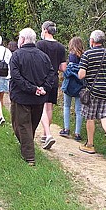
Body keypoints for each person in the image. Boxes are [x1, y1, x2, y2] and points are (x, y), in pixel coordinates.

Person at [9, 27, 55, 165]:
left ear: (23, 39)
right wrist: (42, 88)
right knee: (31, 125)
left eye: (19, 38)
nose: (18, 40)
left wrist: (35, 89)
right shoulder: (43, 56)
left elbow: (16, 77)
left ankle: (29, 157)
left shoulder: (16, 55)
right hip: (38, 98)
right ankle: (27, 147)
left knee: (22, 125)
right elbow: (52, 74)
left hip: (22, 97)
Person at [78, 29, 106, 158]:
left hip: (92, 91)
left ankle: (90, 145)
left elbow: (81, 75)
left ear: (92, 41)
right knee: (104, 117)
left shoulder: (88, 54)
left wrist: (79, 73)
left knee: (90, 117)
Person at [36, 21, 67, 149]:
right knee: (49, 107)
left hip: (42, 79)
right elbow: (63, 67)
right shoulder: (60, 47)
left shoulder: (40, 44)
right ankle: (44, 134)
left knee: (42, 107)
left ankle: (47, 135)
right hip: (54, 79)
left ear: (45, 30)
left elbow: (36, 61)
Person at [60, 37, 84, 141]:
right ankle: (77, 133)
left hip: (69, 85)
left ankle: (66, 129)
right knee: (79, 110)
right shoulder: (84, 56)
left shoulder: (70, 56)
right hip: (79, 85)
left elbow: (66, 71)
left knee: (67, 106)